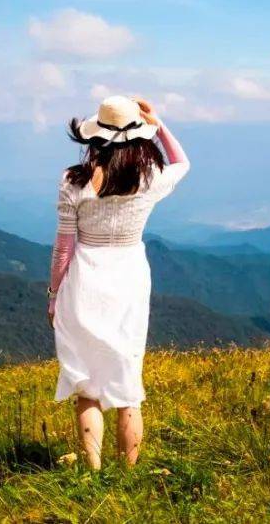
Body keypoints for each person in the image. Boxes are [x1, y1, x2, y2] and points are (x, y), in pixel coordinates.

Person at [47, 95, 190, 469]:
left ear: (95, 138)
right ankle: (128, 475)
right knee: (128, 385)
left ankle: (92, 473)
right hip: (128, 277)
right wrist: (158, 124)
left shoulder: (73, 182)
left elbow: (63, 247)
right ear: (139, 138)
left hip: (84, 279)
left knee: (86, 386)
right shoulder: (151, 180)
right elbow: (181, 162)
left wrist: (53, 296)